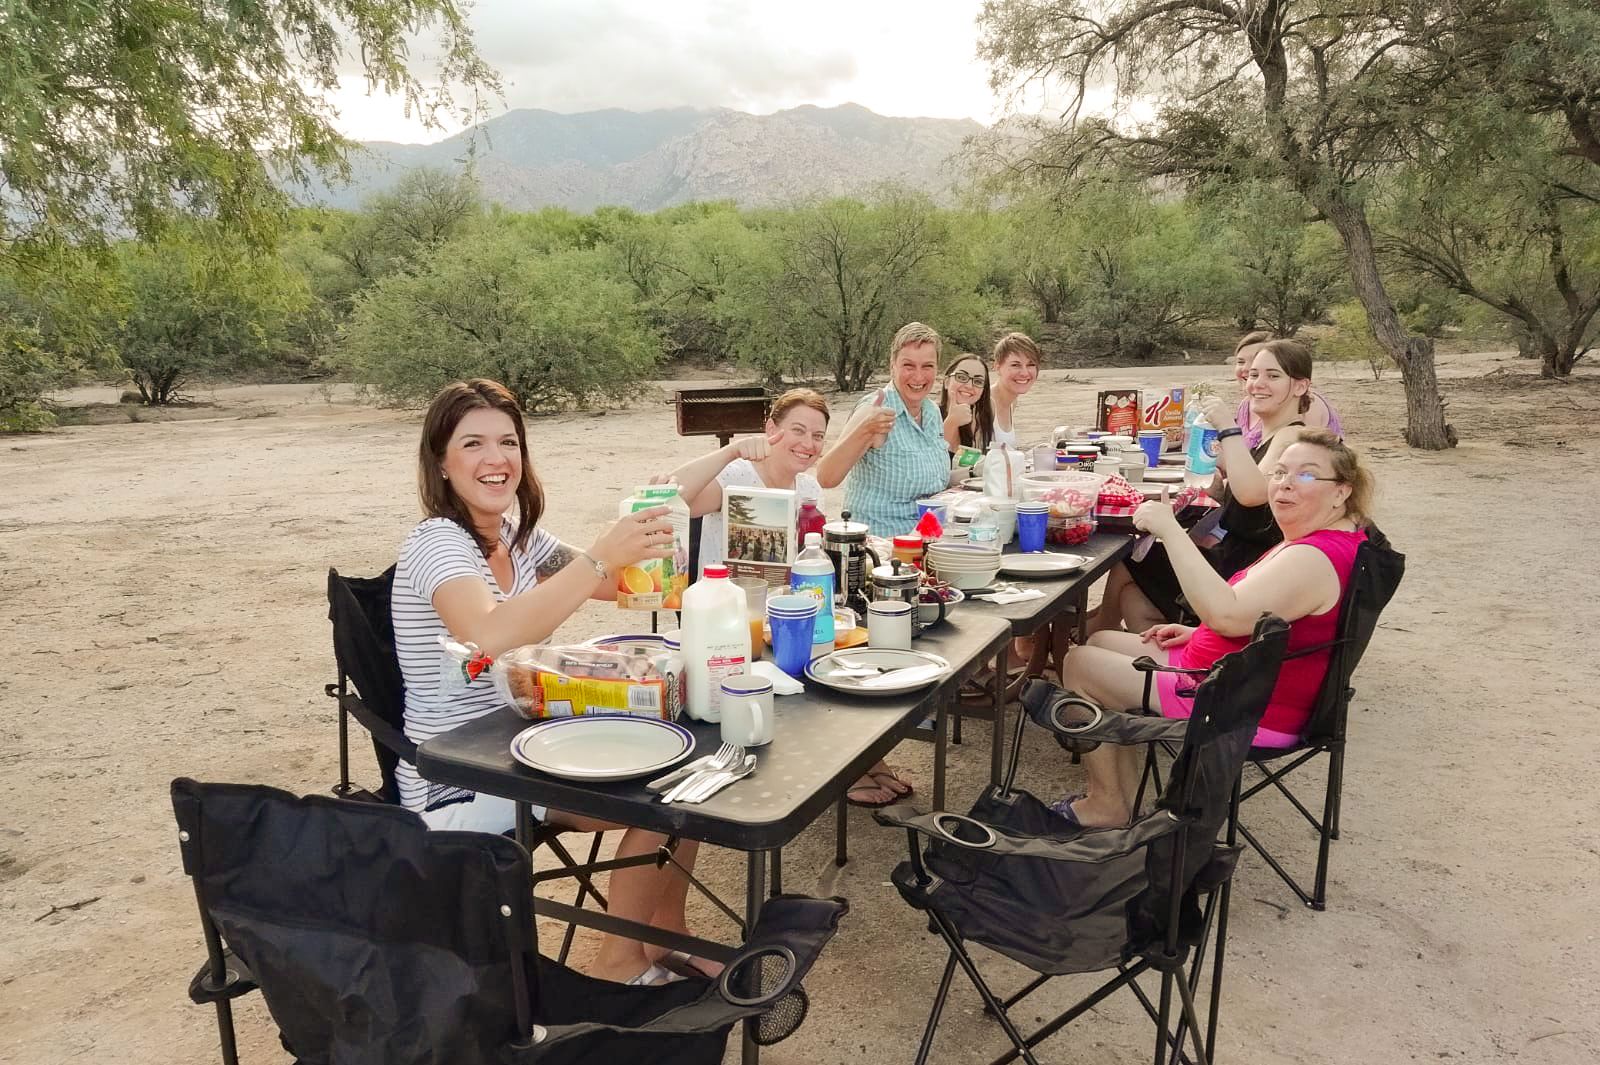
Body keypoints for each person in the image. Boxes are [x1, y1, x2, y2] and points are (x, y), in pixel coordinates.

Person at [392, 379, 708, 987]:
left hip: (514, 742)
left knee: (689, 768)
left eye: (509, 442)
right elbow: (486, 635)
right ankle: (621, 964)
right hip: (457, 779)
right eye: (474, 443)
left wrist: (656, 536)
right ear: (442, 460)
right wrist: (599, 556)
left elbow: (620, 588)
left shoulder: (516, 536)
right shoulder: (437, 543)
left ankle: (666, 937)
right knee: (661, 795)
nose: (497, 459)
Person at [1053, 430, 1372, 828]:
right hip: (1241, 674)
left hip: (1241, 704)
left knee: (1080, 662)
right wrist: (1200, 633)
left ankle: (1107, 805)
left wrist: (1170, 531)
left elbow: (1228, 614)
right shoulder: (1330, 539)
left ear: (1341, 492)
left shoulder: (1314, 557)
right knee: (1101, 639)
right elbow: (1265, 618)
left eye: (1307, 476)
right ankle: (1124, 796)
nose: (1285, 484)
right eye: (1279, 472)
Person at [1091, 339, 1321, 635]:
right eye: (1253, 375)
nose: (1257, 384)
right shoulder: (1273, 436)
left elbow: (1252, 495)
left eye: (1273, 376)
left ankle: (1089, 631)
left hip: (1240, 574)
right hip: (1235, 560)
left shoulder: (1292, 438)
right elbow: (1239, 485)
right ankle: (1154, 658)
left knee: (1132, 556)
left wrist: (1228, 428)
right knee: (1133, 596)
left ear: (1300, 386)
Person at [655, 388, 829, 574]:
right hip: (724, 597)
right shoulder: (735, 477)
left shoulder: (811, 489)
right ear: (771, 428)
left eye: (818, 436)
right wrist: (731, 452)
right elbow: (667, 501)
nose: (809, 444)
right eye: (798, 431)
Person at [817, 321, 951, 538]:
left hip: (926, 539)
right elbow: (826, 477)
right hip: (881, 546)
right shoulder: (874, 409)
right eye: (908, 366)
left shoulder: (932, 411)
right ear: (892, 366)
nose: (918, 376)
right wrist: (864, 429)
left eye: (927, 366)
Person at [1232, 331, 1343, 447]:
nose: (1246, 368)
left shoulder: (1304, 409)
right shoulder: (1246, 406)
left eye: (1273, 375)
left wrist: (1227, 430)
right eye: (1240, 361)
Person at [986, 332, 1041, 449]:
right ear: (997, 367)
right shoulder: (986, 403)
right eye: (1016, 365)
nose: (1025, 373)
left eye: (1031, 365)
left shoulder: (1012, 403)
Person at [939, 352, 995, 454]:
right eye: (961, 377)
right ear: (946, 382)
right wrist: (952, 422)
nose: (969, 386)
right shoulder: (928, 416)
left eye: (978, 381)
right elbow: (926, 461)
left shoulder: (978, 418)